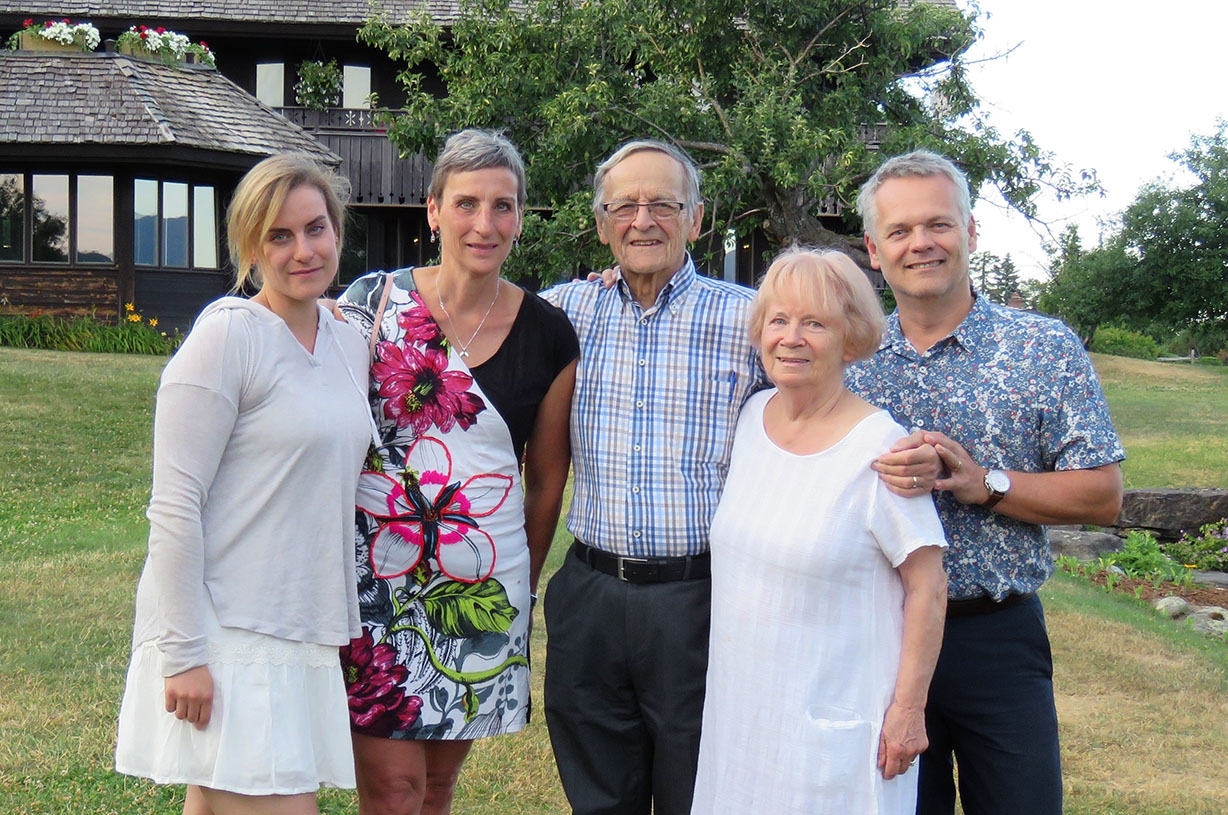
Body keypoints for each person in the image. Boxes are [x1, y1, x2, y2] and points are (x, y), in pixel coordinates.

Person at [539, 140, 938, 815]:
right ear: (602, 224)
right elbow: (474, 324)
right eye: (625, 207)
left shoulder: (748, 318)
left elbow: (836, 386)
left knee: (705, 785)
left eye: (663, 204)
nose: (643, 220)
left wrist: (920, 451)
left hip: (698, 601)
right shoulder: (564, 314)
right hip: (590, 595)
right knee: (598, 788)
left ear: (695, 220)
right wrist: (357, 309)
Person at [845, 149, 1125, 815]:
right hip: (882, 637)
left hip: (995, 638)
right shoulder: (850, 361)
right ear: (875, 251)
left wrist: (986, 483)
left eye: (938, 224)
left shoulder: (1043, 347)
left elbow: (1103, 493)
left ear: (970, 233)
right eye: (900, 231)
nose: (921, 243)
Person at [114, 154, 374, 814]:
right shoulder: (227, 338)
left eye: (316, 228)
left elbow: (449, 302)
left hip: (301, 625)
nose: (303, 250)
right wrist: (185, 653)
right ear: (250, 248)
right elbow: (174, 506)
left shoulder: (350, 336)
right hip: (228, 633)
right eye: (278, 236)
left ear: (337, 230)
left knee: (216, 799)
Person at [334, 129, 578, 815]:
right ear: (434, 210)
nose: (484, 223)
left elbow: (546, 479)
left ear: (521, 218)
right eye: (466, 203)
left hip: (481, 584)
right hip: (374, 582)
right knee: (392, 787)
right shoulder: (372, 302)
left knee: (437, 787)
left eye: (503, 206)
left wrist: (520, 586)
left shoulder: (549, 330)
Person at [690, 246, 948, 814]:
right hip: (743, 716)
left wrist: (909, 711)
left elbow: (928, 586)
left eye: (815, 323)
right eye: (778, 320)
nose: (791, 337)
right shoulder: (752, 418)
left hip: (836, 726)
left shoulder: (880, 448)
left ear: (850, 336)